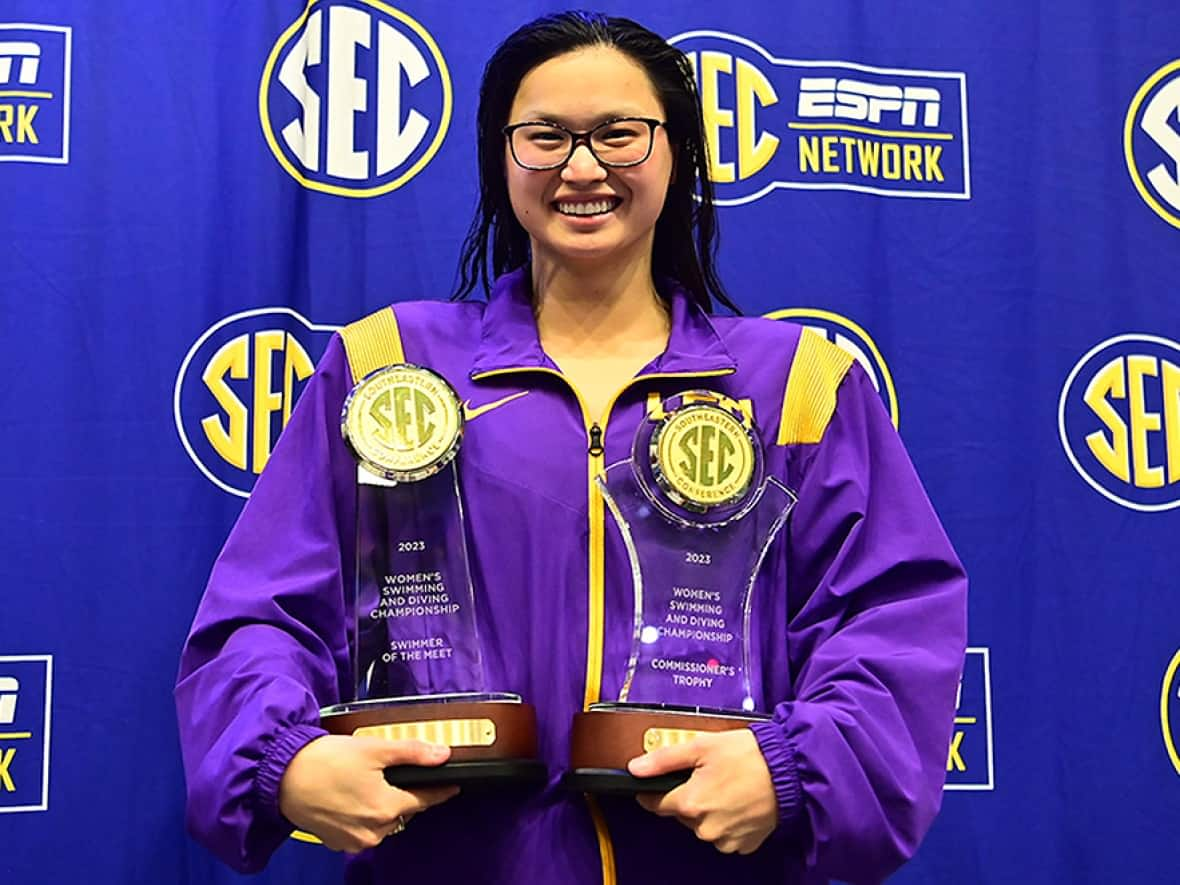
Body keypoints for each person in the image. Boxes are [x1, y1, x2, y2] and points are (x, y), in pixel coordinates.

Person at [175, 11, 967, 884]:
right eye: (544, 137)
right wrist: (281, 760)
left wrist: (792, 774)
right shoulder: (387, 365)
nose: (582, 167)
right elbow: (260, 612)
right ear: (499, 157)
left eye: (620, 135)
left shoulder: (797, 387)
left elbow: (890, 625)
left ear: (678, 153)